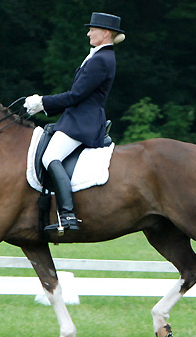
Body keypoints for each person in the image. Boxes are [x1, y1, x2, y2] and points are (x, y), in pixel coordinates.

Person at [24, 12, 125, 233]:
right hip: (77, 118)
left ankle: (68, 215)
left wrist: (43, 102)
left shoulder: (101, 59)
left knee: (50, 156)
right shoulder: (98, 56)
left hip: (82, 122)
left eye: (92, 29)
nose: (88, 33)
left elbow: (76, 95)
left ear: (105, 33)